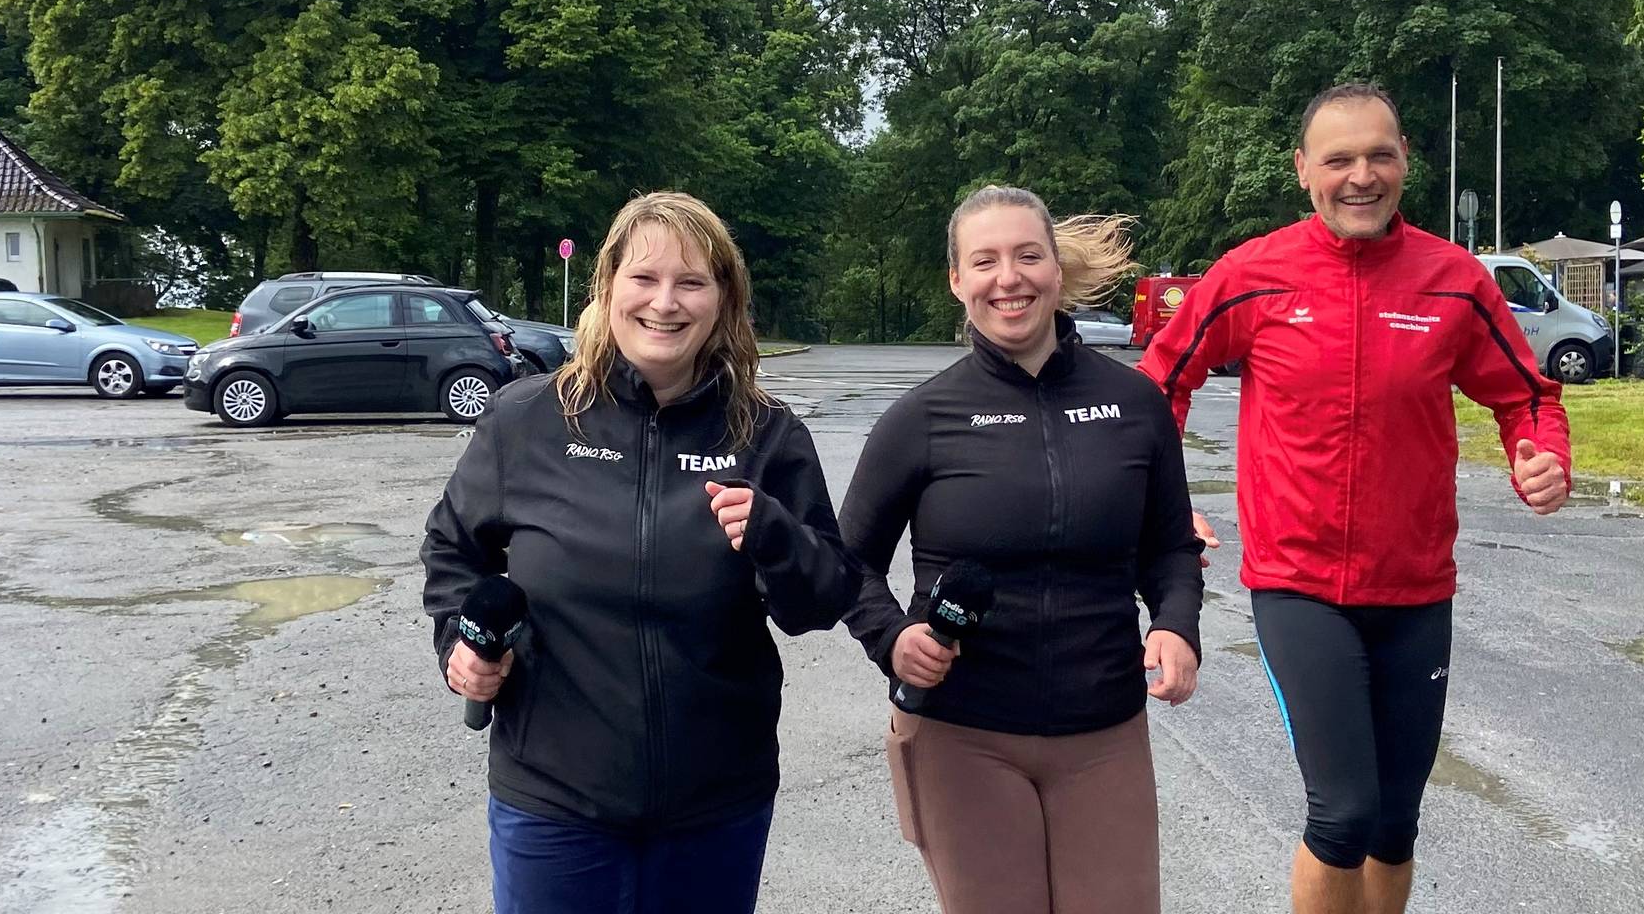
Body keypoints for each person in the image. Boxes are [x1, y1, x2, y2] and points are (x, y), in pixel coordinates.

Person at [1139, 83, 1571, 914]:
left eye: (1379, 155)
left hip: (1415, 590)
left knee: (1394, 825)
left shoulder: (1453, 281)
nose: (1361, 176)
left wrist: (1543, 456)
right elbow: (1161, 384)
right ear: (1304, 170)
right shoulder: (1252, 275)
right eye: (1339, 159)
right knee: (1342, 816)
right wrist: (1163, 504)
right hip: (1298, 586)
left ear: (1406, 159)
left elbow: (1527, 396)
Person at [421, 192, 863, 914]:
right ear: (607, 287)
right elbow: (451, 549)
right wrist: (458, 643)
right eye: (645, 278)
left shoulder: (767, 434)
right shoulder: (528, 418)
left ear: (724, 300)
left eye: (691, 282)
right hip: (554, 799)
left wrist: (777, 538)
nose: (665, 302)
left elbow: (820, 601)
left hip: (716, 804)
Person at [839, 186, 1206, 914]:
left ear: (1056, 270)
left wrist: (1176, 625)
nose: (1008, 278)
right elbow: (847, 562)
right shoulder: (923, 417)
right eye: (985, 261)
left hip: (1103, 728)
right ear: (957, 280)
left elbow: (1169, 546)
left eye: (1028, 256)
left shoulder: (1135, 405)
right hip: (961, 732)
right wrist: (892, 637)